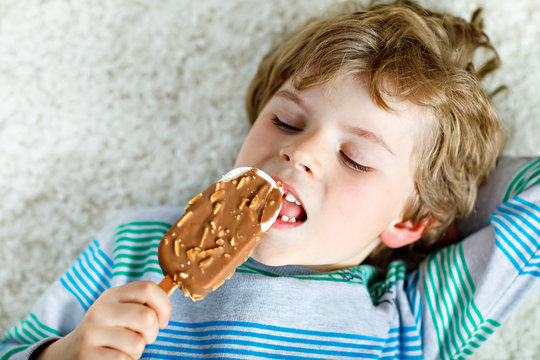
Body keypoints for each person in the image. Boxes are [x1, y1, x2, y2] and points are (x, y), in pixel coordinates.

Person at [1, 1, 539, 359]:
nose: (299, 151)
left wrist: (443, 196)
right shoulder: (134, 243)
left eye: (355, 156)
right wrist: (63, 353)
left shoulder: (414, 319)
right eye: (286, 121)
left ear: (409, 221)